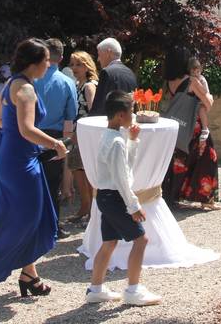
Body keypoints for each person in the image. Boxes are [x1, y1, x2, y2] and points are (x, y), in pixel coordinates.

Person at [0, 38, 67, 301]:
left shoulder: (12, 83)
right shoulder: (27, 90)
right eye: (46, 60)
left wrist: (14, 137)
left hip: (9, 158)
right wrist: (56, 144)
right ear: (35, 63)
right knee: (26, 220)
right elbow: (27, 129)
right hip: (21, 164)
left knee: (21, 218)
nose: (49, 64)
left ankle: (30, 275)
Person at [85, 90, 161, 306]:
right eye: (132, 111)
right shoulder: (117, 142)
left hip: (106, 197)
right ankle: (133, 290)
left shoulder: (111, 137)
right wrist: (134, 206)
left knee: (109, 242)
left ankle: (96, 289)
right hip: (115, 198)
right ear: (120, 115)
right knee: (141, 239)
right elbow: (122, 179)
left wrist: (133, 141)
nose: (134, 115)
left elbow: (123, 167)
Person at [35, 39, 78, 236]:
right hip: (54, 136)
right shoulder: (68, 83)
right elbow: (71, 116)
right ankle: (53, 225)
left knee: (32, 181)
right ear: (61, 58)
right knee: (53, 182)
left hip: (30, 133)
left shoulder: (31, 80)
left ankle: (32, 224)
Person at [171, 55, 219, 209]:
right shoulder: (194, 81)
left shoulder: (172, 81)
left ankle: (174, 196)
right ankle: (206, 198)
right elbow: (208, 103)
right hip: (195, 126)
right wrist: (210, 97)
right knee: (207, 158)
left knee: (181, 162)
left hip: (181, 127)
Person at [67, 50, 99, 223]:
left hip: (85, 135)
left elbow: (93, 111)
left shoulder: (89, 86)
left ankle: (92, 211)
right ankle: (85, 207)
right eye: (72, 64)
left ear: (87, 66)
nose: (74, 68)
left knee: (86, 172)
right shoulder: (78, 84)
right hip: (77, 133)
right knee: (78, 169)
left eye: (78, 64)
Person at [89, 38, 137, 116]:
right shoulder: (130, 73)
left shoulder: (107, 72)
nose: (98, 59)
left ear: (108, 52)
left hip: (109, 124)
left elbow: (99, 105)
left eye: (99, 55)